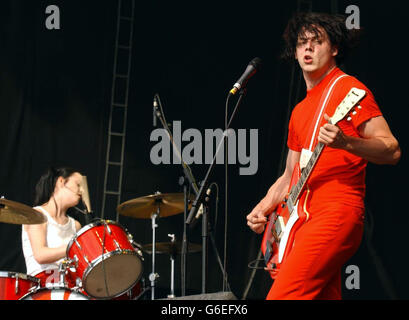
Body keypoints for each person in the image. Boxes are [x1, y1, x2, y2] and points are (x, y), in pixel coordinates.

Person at [246, 12, 401, 299]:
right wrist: (264, 207)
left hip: (336, 211)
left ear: (335, 49)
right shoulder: (299, 111)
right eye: (302, 43)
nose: (308, 48)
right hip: (301, 219)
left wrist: (347, 143)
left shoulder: (348, 89)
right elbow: (289, 176)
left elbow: (391, 149)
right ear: (294, 51)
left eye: (317, 42)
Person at [22, 167, 83, 286]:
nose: (82, 190)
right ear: (61, 182)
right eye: (78, 184)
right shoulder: (38, 215)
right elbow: (40, 255)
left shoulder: (75, 225)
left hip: (70, 285)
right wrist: (73, 246)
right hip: (42, 284)